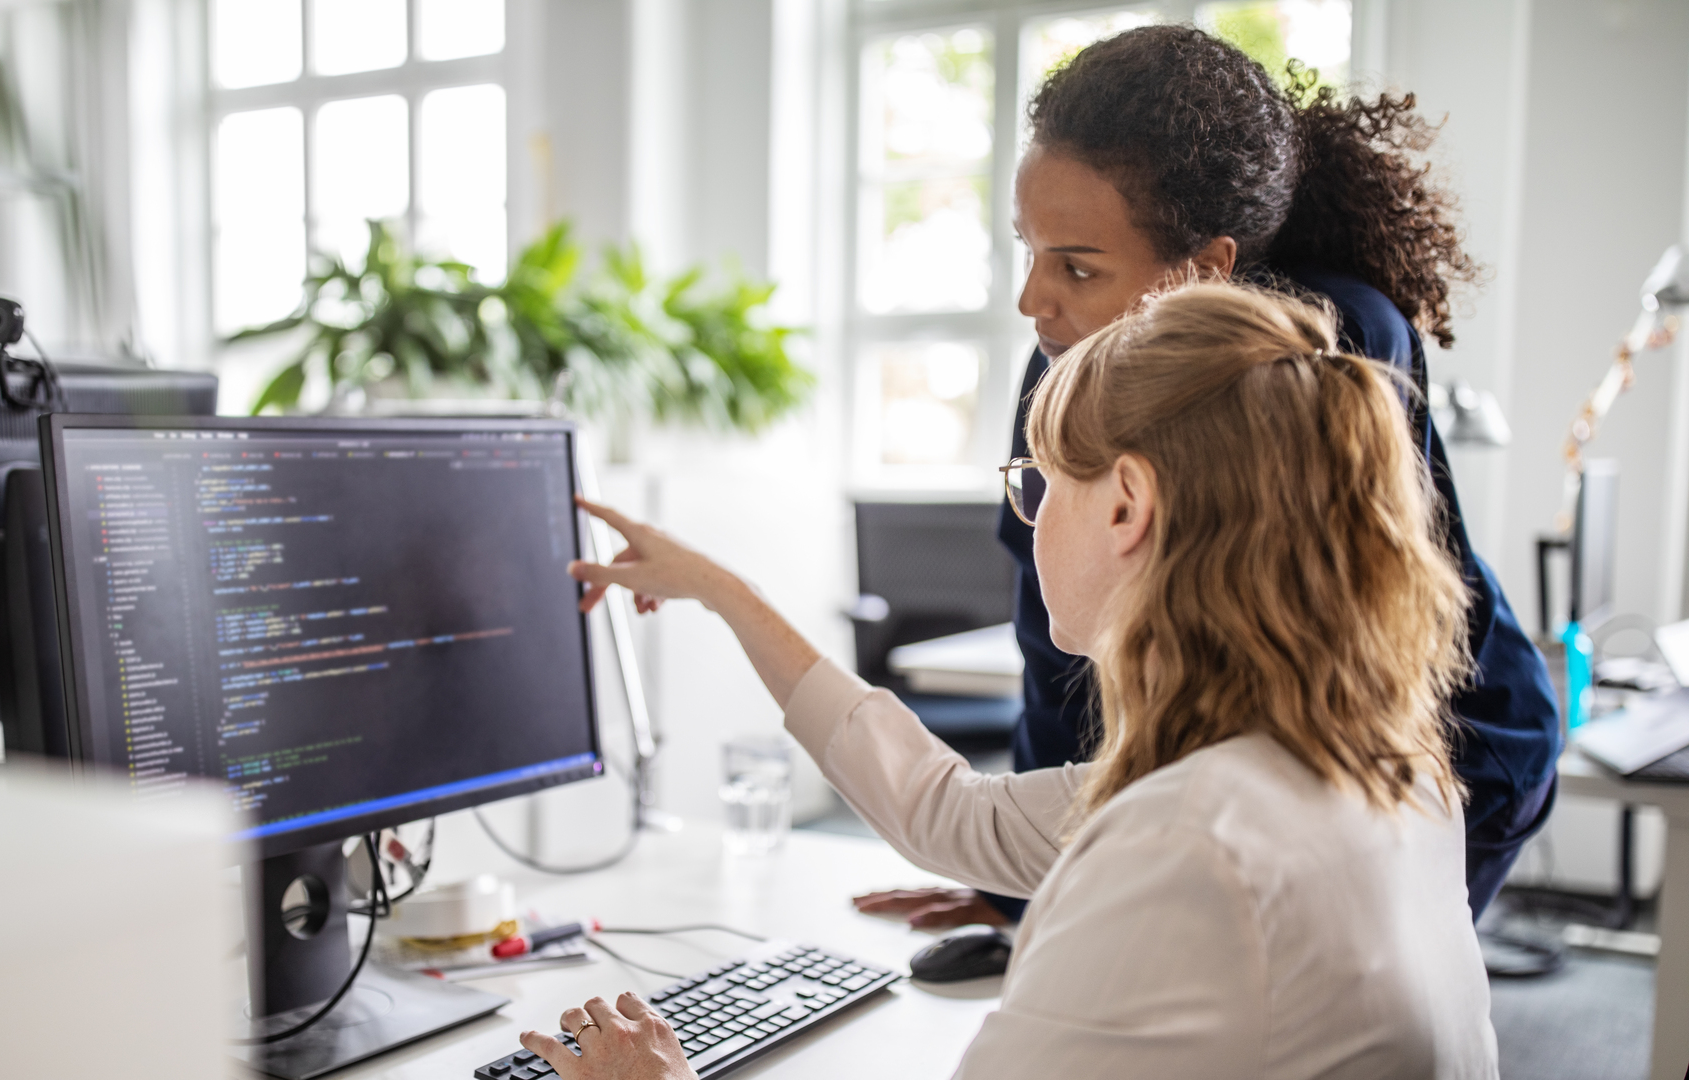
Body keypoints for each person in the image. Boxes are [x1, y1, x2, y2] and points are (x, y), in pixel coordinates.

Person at [522, 282, 1497, 1079]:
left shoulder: (1188, 847)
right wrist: (727, 593)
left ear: (1126, 505)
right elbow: (956, 812)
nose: (1027, 523)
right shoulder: (1376, 769)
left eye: (1037, 485)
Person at [858, 23, 1559, 933]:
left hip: (1439, 752)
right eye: (1029, 250)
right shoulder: (1063, 359)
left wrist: (1089, 889)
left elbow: (1302, 670)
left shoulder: (1327, 344)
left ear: (1208, 267)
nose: (1035, 299)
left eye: (1077, 265)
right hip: (1247, 777)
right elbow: (1055, 648)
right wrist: (1018, 889)